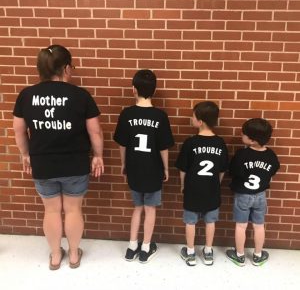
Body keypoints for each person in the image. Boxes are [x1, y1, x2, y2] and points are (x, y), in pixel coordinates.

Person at [13, 44, 104, 270]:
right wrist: (98, 156)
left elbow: (18, 130)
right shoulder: (81, 95)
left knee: (51, 210)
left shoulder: (26, 95)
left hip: (43, 164)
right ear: (65, 68)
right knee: (73, 209)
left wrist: (25, 155)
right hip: (75, 164)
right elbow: (95, 131)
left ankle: (55, 256)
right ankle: (73, 255)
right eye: (70, 67)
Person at [113, 69, 174, 263]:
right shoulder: (160, 116)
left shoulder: (126, 114)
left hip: (134, 169)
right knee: (150, 210)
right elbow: (164, 147)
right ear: (154, 91)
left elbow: (122, 144)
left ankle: (132, 247)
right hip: (153, 170)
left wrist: (123, 163)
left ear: (133, 89)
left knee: (137, 208)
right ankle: (146, 248)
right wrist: (165, 168)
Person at [175, 101, 228, 266]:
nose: (191, 118)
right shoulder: (220, 143)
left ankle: (190, 252)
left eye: (193, 116)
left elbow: (183, 169)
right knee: (210, 221)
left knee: (190, 222)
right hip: (212, 190)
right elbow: (221, 170)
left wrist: (183, 185)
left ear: (200, 121)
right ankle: (208, 251)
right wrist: (215, 185)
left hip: (192, 189)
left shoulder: (190, 143)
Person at [226, 118, 280, 267]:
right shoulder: (271, 156)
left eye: (244, 134)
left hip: (243, 195)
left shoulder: (241, 155)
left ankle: (239, 256)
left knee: (241, 226)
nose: (241, 135)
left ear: (253, 140)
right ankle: (257, 255)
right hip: (261, 195)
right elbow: (274, 170)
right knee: (259, 225)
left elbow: (233, 172)